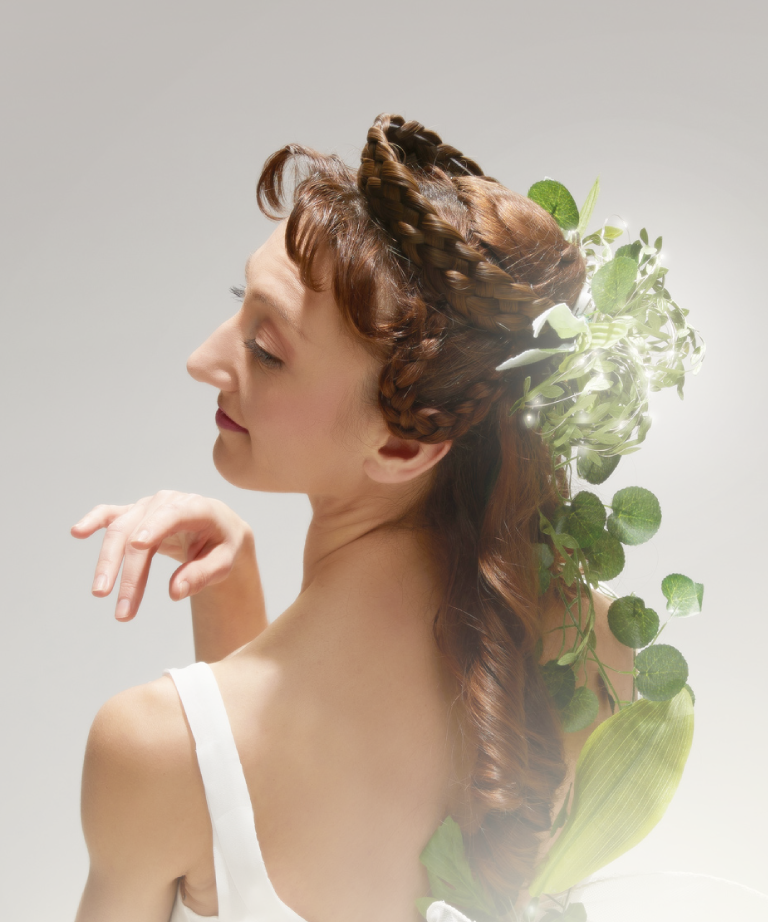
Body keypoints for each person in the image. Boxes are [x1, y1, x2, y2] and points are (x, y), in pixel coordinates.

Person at [71, 114, 634, 922]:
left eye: (267, 349)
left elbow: (254, 806)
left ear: (405, 448)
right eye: (240, 305)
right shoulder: (600, 655)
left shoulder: (152, 748)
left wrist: (206, 706)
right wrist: (230, 603)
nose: (203, 359)